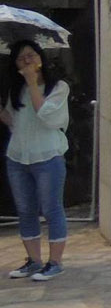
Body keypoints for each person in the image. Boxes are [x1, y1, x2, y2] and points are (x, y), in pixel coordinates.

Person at [3, 41, 71, 282]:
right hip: (18, 156)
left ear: (40, 58)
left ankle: (55, 262)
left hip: (48, 157)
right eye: (21, 58)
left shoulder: (58, 87)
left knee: (51, 208)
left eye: (30, 55)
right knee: (25, 210)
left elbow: (47, 115)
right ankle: (34, 261)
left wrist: (33, 83)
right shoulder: (17, 89)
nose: (27, 61)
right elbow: (13, 120)